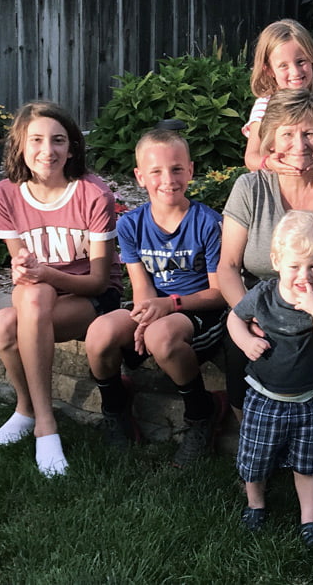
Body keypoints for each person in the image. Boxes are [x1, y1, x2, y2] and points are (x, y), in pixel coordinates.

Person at [219, 88, 313, 508]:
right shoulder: (251, 188)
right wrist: (245, 317)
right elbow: (228, 266)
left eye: (310, 134)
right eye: (287, 134)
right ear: (268, 140)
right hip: (261, 301)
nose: (300, 146)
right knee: (235, 347)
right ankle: (255, 455)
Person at [0, 101, 122, 477]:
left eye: (58, 140)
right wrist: (32, 271)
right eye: (37, 140)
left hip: (92, 297)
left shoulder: (93, 194)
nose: (48, 151)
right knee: (2, 324)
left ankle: (42, 423)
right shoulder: (4, 195)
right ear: (21, 148)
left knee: (35, 294)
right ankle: (29, 411)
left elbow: (98, 280)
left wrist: (44, 274)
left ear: (72, 147)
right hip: (39, 300)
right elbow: (22, 272)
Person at [84, 129, 228, 466]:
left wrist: (169, 306)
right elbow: (141, 288)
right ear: (139, 176)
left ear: (191, 170)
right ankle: (116, 408)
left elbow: (219, 293)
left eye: (177, 169)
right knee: (99, 334)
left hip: (196, 310)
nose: (168, 179)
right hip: (156, 307)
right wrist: (145, 315)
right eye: (156, 172)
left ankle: (201, 412)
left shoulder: (208, 223)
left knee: (161, 336)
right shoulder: (131, 224)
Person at [228, 210, 313, 546]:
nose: (304, 276)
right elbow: (235, 319)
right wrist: (247, 341)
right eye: (295, 266)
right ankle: (256, 504)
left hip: (307, 400)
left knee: (307, 465)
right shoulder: (263, 295)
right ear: (277, 261)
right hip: (264, 395)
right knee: (255, 457)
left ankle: (310, 520)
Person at [243, 19, 313, 174]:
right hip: (272, 186)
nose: (295, 72)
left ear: (312, 60)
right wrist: (270, 163)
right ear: (269, 70)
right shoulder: (264, 106)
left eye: (301, 61)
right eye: (284, 65)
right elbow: (251, 157)